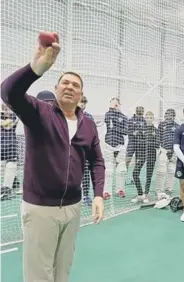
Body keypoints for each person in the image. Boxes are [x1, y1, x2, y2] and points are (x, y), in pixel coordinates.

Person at [1, 32, 105, 282]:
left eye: (76, 85)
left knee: (62, 270)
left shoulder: (88, 124)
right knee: (39, 274)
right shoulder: (39, 112)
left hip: (73, 208)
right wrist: (36, 68)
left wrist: (99, 194)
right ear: (57, 88)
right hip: (40, 209)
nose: (70, 86)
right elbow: (8, 92)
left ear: (81, 94)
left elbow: (97, 161)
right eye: (65, 82)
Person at [103, 97, 128, 200]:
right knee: (108, 170)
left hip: (120, 146)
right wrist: (112, 109)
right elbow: (107, 121)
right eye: (113, 104)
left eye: (116, 104)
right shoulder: (108, 114)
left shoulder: (124, 117)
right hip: (109, 145)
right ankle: (106, 191)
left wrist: (115, 128)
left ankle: (120, 189)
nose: (115, 105)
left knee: (121, 170)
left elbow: (125, 131)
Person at [132, 111, 159, 203]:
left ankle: (146, 195)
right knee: (135, 173)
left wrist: (148, 143)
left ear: (153, 119)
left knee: (148, 176)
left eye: (151, 118)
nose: (149, 119)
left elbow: (157, 144)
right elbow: (138, 142)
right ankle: (140, 194)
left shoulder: (156, 130)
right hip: (142, 154)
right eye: (147, 117)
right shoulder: (140, 129)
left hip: (151, 154)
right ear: (145, 118)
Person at [156, 108, 179, 199]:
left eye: (170, 114)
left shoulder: (177, 126)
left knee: (171, 171)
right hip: (164, 150)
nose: (168, 116)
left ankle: (168, 188)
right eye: (167, 114)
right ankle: (159, 189)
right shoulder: (161, 125)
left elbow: (178, 139)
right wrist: (160, 149)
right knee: (161, 171)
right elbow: (158, 137)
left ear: (173, 116)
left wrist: (175, 151)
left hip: (173, 152)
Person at [78, 95, 95, 206]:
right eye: (81, 102)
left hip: (86, 149)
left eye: (84, 102)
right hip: (73, 149)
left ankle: (86, 195)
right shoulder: (70, 114)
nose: (82, 104)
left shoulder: (89, 116)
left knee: (86, 174)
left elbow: (92, 132)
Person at [0, 103, 19, 200]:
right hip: (1, 146)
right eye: (5, 109)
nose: (8, 111)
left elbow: (8, 125)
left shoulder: (15, 116)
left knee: (11, 165)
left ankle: (6, 190)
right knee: (3, 168)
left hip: (11, 147)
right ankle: (15, 181)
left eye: (9, 109)